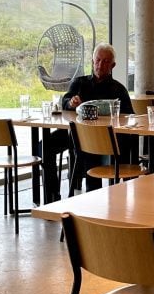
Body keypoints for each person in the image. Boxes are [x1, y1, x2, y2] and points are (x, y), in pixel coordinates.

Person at [46, 44, 135, 193]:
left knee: (92, 153)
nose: (100, 65)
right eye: (98, 60)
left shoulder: (118, 89)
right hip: (74, 135)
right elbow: (65, 102)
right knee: (44, 147)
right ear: (92, 61)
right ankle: (52, 196)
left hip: (105, 139)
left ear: (113, 65)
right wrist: (71, 103)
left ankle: (95, 197)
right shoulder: (80, 83)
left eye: (106, 61)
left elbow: (129, 117)